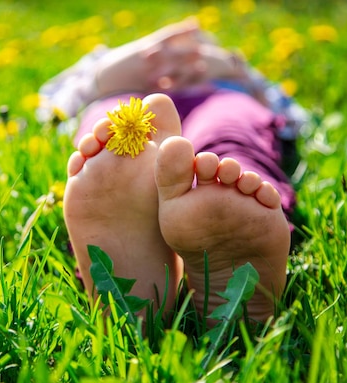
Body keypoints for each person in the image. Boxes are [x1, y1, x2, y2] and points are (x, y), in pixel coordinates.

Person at [39, 18, 308, 323]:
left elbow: (291, 115)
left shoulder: (225, 63)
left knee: (229, 134)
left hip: (217, 95)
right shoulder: (103, 58)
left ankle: (225, 216)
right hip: (127, 96)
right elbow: (52, 110)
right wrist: (105, 76)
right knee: (114, 134)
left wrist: (231, 67)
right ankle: (224, 277)